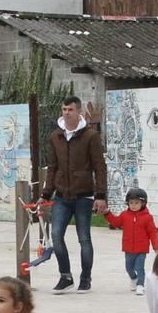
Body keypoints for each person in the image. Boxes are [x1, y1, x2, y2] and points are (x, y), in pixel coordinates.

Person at [40, 96, 106, 293]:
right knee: (56, 235)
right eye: (64, 109)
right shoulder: (55, 136)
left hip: (84, 195)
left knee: (84, 238)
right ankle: (65, 276)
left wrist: (100, 195)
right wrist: (46, 194)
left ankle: (85, 278)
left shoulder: (90, 136)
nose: (66, 112)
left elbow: (99, 167)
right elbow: (52, 167)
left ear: (79, 112)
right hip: (62, 196)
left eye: (70, 109)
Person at [104, 187, 158, 294]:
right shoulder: (125, 215)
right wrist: (107, 214)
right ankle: (134, 278)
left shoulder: (147, 218)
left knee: (139, 267)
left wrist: (156, 246)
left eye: (136, 203)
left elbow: (153, 233)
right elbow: (116, 223)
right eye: (131, 202)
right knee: (129, 268)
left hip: (141, 249)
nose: (133, 205)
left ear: (143, 203)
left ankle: (140, 285)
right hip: (128, 249)